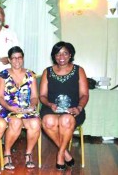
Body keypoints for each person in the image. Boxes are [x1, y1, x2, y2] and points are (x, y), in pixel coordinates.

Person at [39, 41, 89, 170]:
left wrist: (79, 107)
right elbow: (42, 96)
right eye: (58, 54)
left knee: (65, 120)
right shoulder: (47, 72)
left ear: (70, 54)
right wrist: (49, 104)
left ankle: (60, 154)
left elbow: (84, 94)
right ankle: (65, 152)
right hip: (51, 109)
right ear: (54, 56)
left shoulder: (79, 70)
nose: (61, 57)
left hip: (73, 110)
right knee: (48, 121)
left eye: (65, 53)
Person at [0, 46, 41, 170]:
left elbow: (35, 96)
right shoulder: (2, 75)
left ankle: (29, 153)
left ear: (23, 58)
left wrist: (32, 106)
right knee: (15, 122)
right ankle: (7, 153)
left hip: (26, 109)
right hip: (7, 108)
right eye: (14, 58)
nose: (17, 60)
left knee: (36, 123)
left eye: (19, 57)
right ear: (9, 60)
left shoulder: (30, 74)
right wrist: (10, 108)